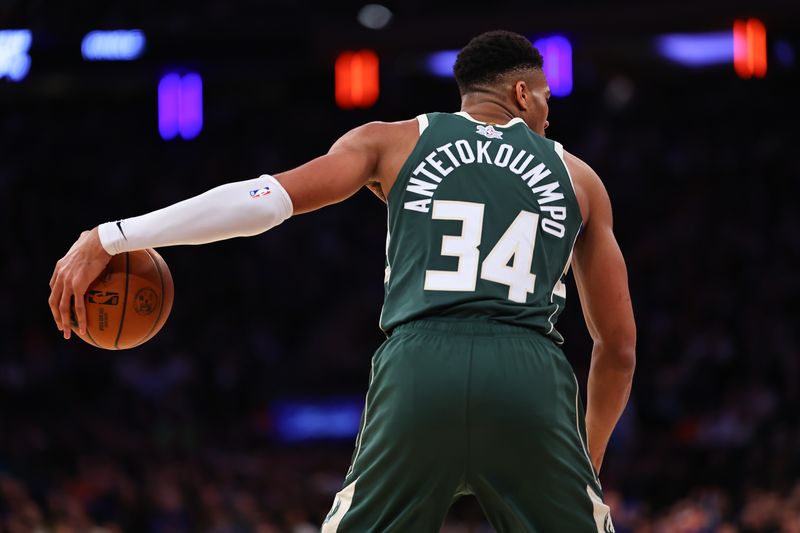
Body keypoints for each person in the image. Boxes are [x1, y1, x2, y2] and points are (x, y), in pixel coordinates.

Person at [49, 30, 635, 532]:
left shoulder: (390, 140)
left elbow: (265, 201)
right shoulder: (578, 177)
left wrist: (115, 235)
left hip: (418, 367)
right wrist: (590, 453)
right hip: (528, 376)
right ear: (522, 92)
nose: (549, 116)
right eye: (547, 100)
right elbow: (619, 348)